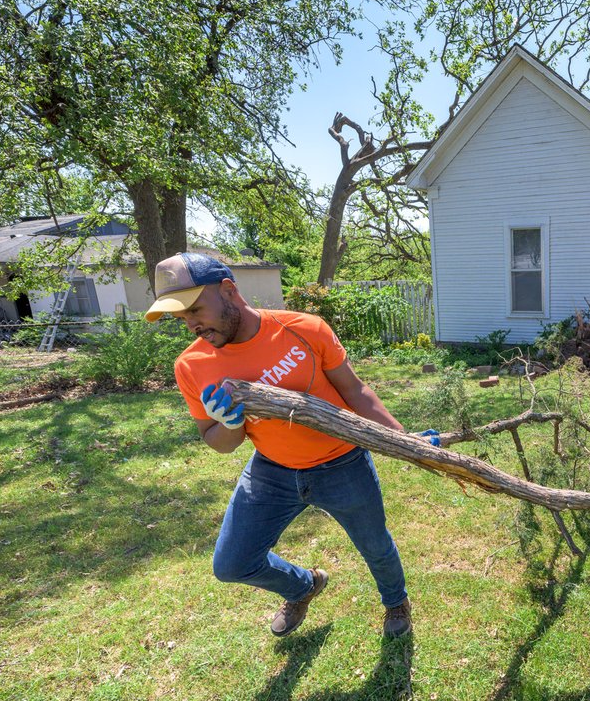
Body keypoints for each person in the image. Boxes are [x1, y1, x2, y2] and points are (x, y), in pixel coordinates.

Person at [145, 252, 424, 639]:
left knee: (375, 545)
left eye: (195, 309)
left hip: (342, 463)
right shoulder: (191, 365)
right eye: (181, 318)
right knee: (232, 563)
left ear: (228, 290)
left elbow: (355, 390)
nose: (192, 324)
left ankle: (396, 602)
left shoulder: (304, 329)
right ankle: (303, 586)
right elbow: (218, 441)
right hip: (271, 471)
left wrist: (406, 440)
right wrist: (230, 423)